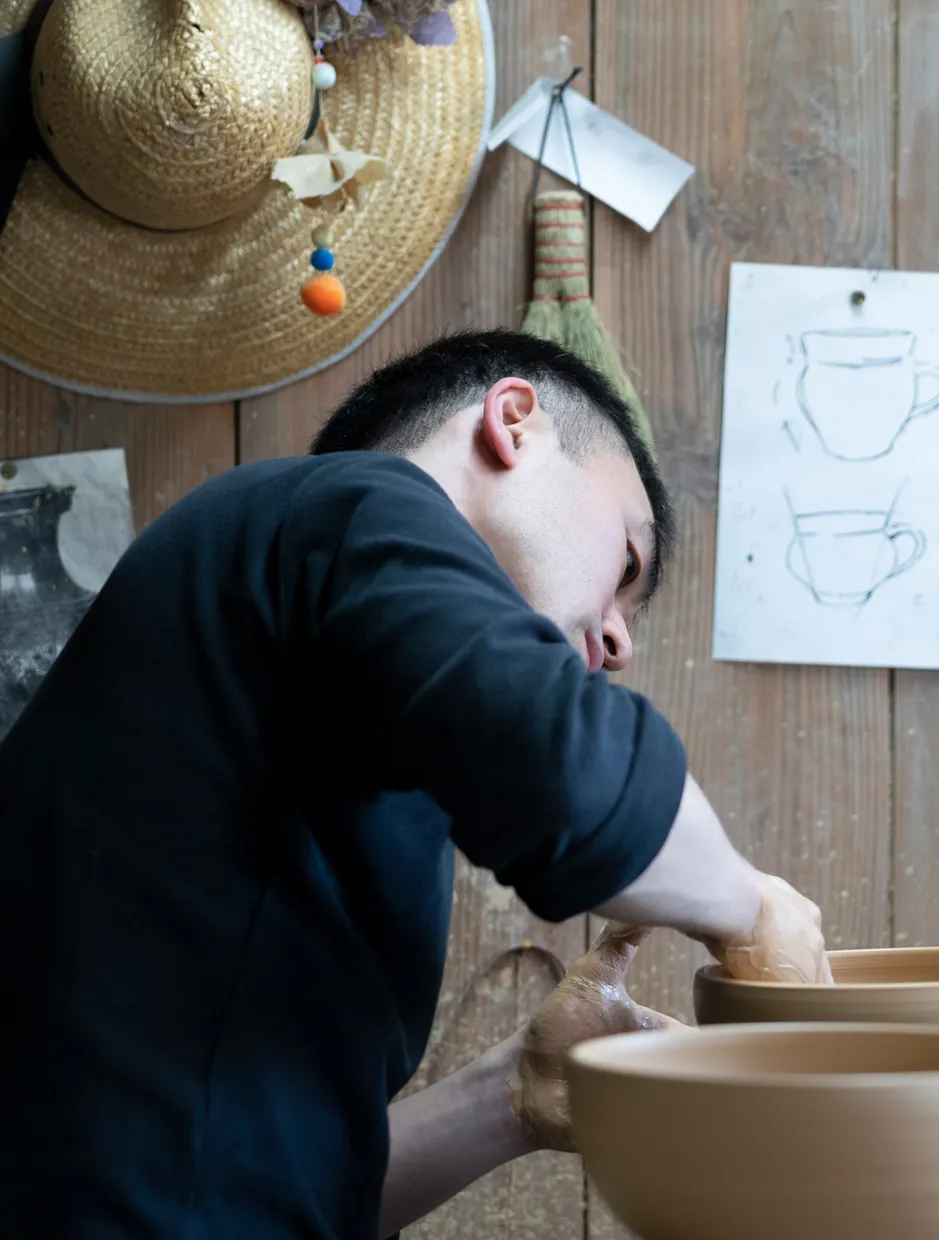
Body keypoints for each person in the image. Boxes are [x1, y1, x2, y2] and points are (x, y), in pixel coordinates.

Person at [0, 329, 830, 1239]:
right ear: (514, 423)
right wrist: (754, 908)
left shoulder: (321, 709)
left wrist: (513, 1098)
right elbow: (579, 782)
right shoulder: (354, 504)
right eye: (627, 563)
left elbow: (267, 1188)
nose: (620, 643)